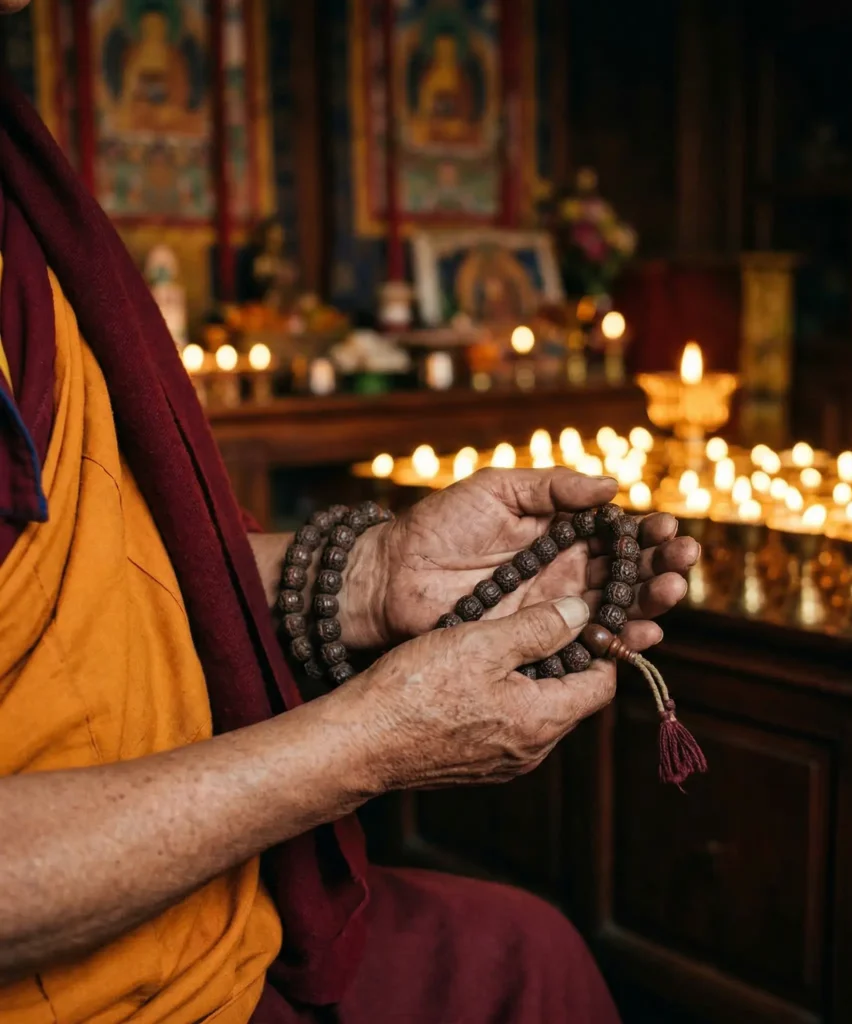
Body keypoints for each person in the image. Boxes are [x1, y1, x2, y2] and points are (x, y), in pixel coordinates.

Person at [0, 5, 700, 1020]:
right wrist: (364, 745)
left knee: (526, 954)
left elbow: (102, 573)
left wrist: (372, 576)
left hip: (194, 917)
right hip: (81, 982)